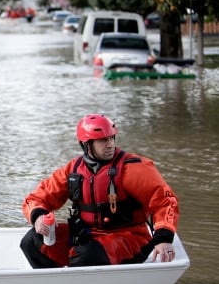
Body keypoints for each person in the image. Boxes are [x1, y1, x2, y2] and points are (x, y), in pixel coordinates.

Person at [20, 113, 180, 269]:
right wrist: (39, 217)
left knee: (85, 256)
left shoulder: (133, 168)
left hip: (130, 238)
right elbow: (37, 198)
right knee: (31, 241)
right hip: (87, 234)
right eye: (103, 140)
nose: (110, 144)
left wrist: (163, 238)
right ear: (87, 144)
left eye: (111, 138)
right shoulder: (73, 170)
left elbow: (165, 201)